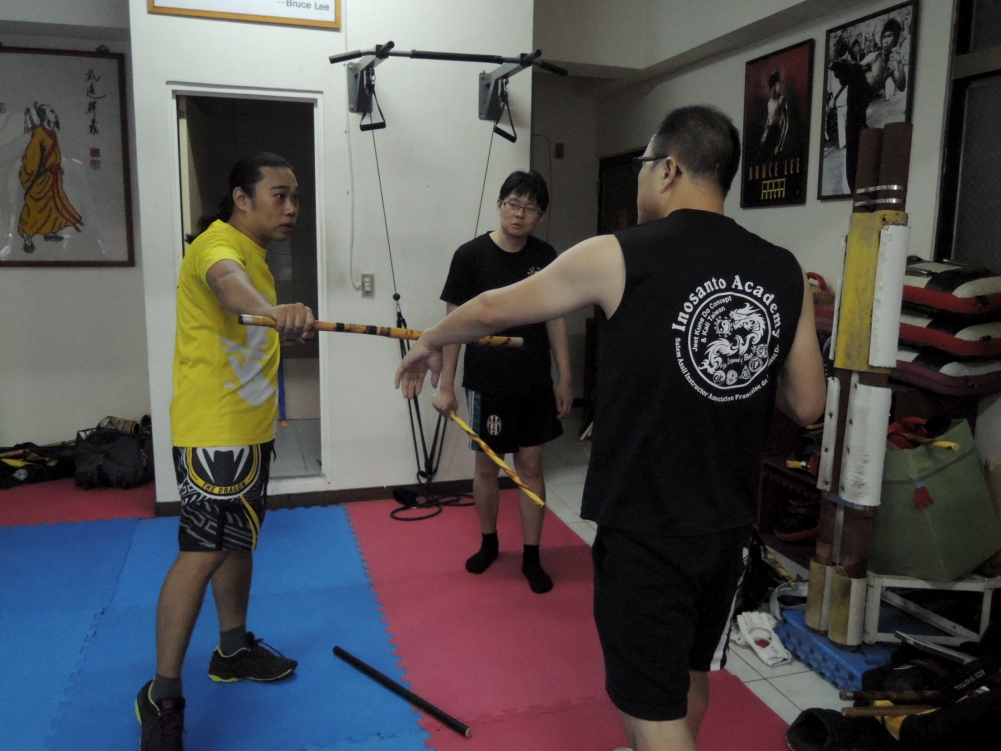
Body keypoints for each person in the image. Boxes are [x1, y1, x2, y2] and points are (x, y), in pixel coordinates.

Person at [397, 106, 826, 751]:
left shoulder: (618, 253)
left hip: (645, 522)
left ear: (669, 169)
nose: (641, 178)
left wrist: (428, 341)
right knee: (691, 670)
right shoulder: (784, 268)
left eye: (645, 165)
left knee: (647, 704)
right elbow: (809, 403)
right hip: (731, 521)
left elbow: (491, 309)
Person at [136, 153, 316, 751]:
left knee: (238, 540)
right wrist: (271, 311)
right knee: (203, 551)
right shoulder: (217, 245)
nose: (291, 207)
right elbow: (228, 287)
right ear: (241, 198)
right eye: (279, 195)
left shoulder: (255, 252)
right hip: (214, 432)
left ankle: (233, 650)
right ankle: (161, 693)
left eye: (295, 197)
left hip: (248, 428)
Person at [433, 170, 573, 594]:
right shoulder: (470, 256)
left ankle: (532, 554)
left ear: (540, 216)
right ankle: (489, 542)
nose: (519, 214)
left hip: (534, 382)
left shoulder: (546, 257)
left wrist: (565, 377)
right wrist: (445, 384)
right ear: (499, 205)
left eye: (530, 208)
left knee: (530, 467)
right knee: (486, 466)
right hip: (486, 382)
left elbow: (555, 317)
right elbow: (453, 325)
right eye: (513, 204)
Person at [829, 18, 907, 191]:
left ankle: (858, 185)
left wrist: (900, 64)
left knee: (860, 143)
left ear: (895, 40)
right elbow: (852, 75)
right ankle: (837, 64)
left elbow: (901, 85)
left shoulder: (891, 67)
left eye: (890, 37)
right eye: (884, 37)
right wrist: (834, 98)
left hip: (862, 106)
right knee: (856, 69)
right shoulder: (874, 57)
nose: (886, 40)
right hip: (856, 94)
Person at [19, 102, 83, 253]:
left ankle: (48, 232)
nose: (55, 113)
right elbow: (32, 157)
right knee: (34, 207)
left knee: (52, 206)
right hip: (42, 179)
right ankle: (26, 235)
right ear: (44, 116)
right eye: (51, 111)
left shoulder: (51, 132)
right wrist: (28, 176)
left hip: (53, 178)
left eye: (53, 111)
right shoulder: (40, 134)